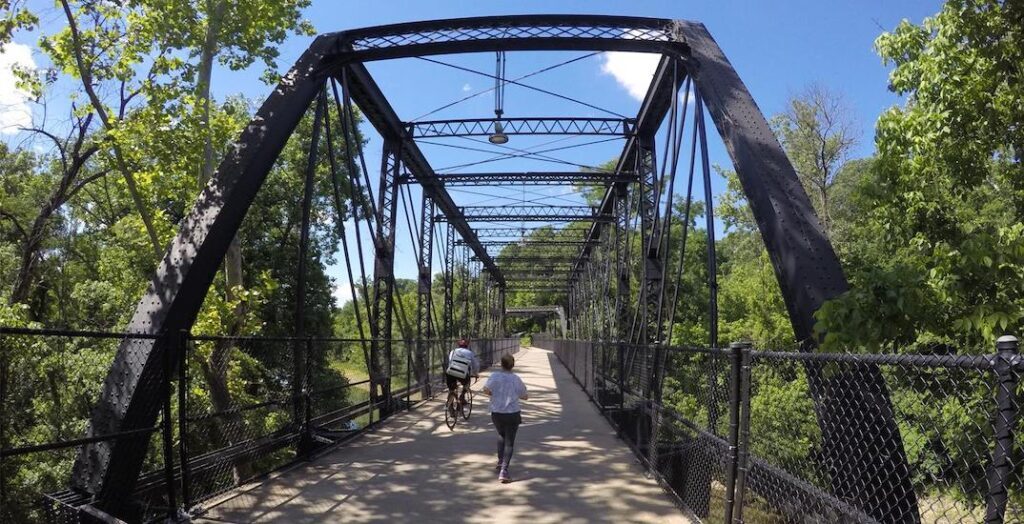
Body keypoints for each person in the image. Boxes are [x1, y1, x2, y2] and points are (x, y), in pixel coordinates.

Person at [482, 353, 528, 484]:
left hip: (496, 412)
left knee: (501, 434)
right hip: (512, 413)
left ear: (501, 364)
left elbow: (485, 389)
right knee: (509, 442)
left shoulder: (494, 376)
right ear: (512, 365)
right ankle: (504, 471)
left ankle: (500, 461)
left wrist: (493, 394)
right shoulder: (516, 379)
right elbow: (525, 396)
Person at [445, 338, 479, 408]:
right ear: (467, 345)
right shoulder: (469, 353)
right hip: (462, 374)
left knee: (452, 389)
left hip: (451, 373)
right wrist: (476, 373)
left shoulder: (453, 351)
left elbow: (450, 362)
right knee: (467, 383)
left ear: (458, 345)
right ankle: (462, 397)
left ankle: (450, 406)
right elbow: (475, 365)